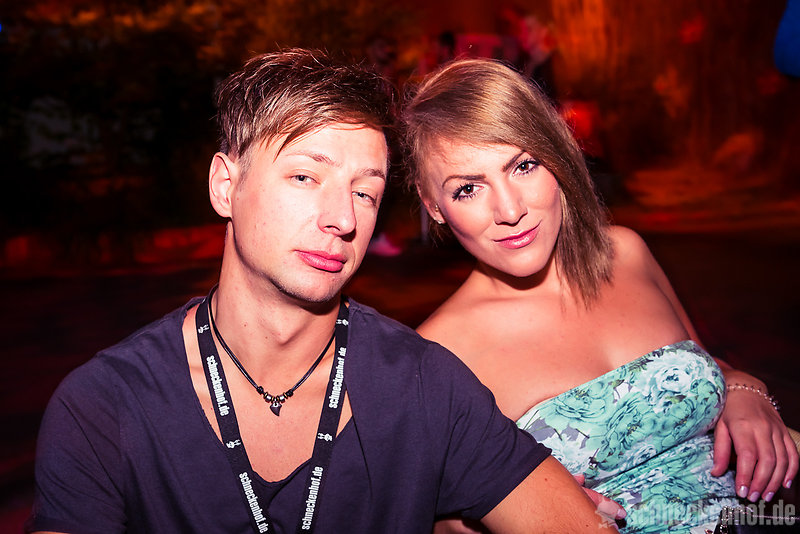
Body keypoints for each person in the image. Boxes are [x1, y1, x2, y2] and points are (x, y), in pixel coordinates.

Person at [25, 49, 619, 534]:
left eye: (365, 192)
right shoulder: (105, 408)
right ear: (225, 185)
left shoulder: (425, 385)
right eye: (306, 176)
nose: (342, 218)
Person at [401, 57, 799, 533]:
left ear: (557, 155)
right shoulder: (437, 356)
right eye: (468, 188)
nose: (509, 209)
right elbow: (437, 521)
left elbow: (710, 364)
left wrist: (743, 390)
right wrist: (527, 513)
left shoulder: (625, 253)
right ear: (433, 205)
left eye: (523, 165)